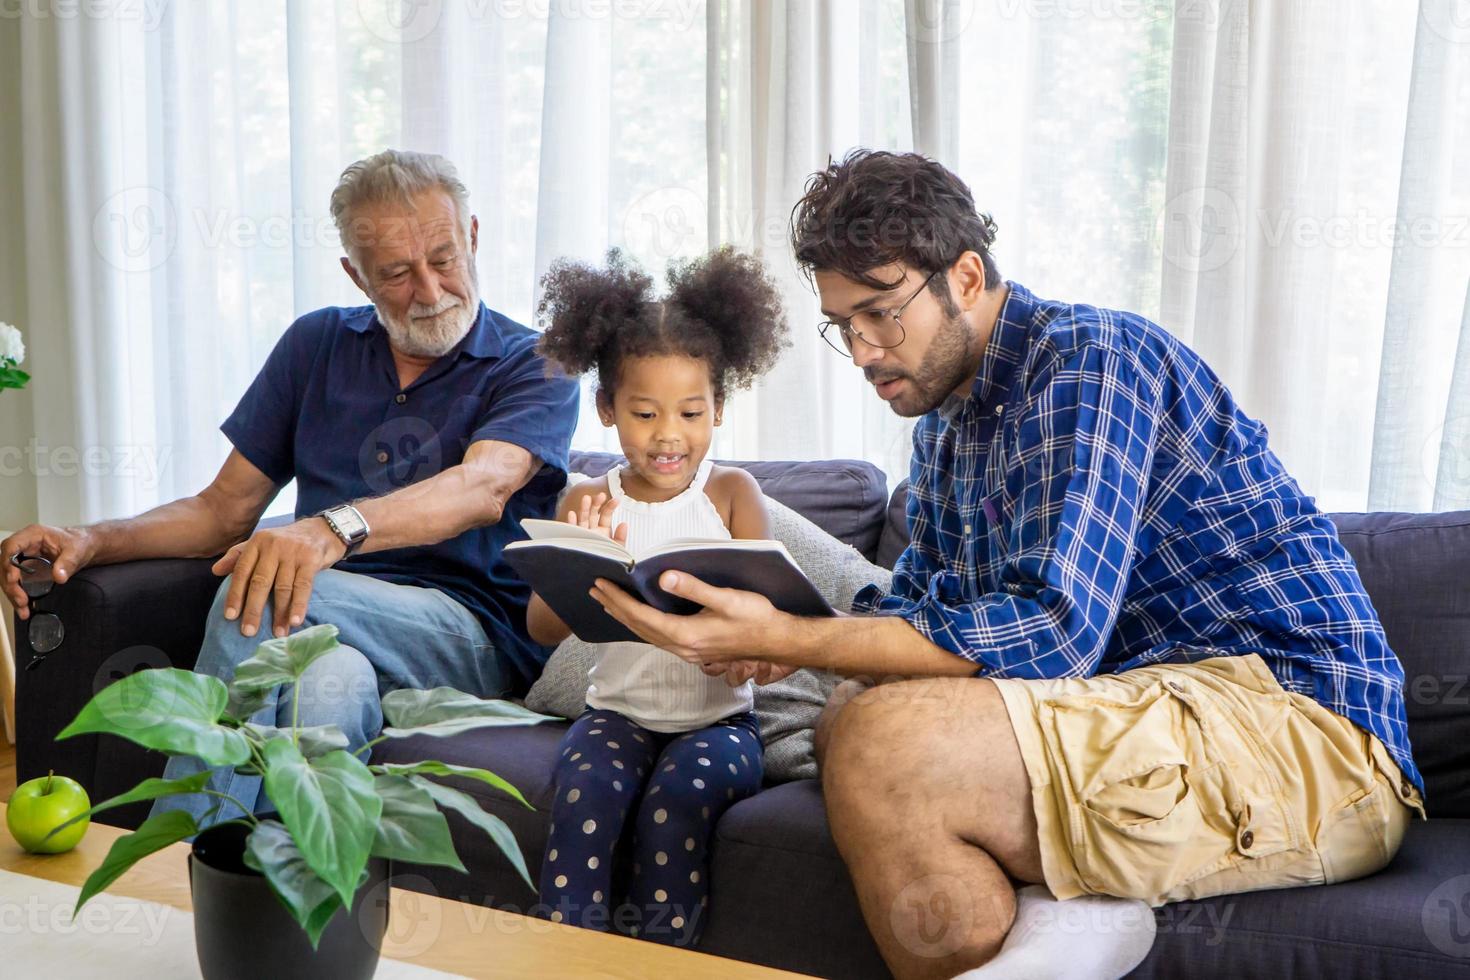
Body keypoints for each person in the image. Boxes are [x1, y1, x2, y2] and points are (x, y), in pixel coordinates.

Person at [586, 150, 1422, 980]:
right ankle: (1061, 929)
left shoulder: (1091, 361)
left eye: (883, 312)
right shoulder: (944, 432)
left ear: (968, 275)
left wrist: (804, 637)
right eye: (843, 326)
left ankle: (1065, 922)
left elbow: (1051, 632)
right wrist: (782, 636)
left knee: (883, 742)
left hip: (1300, 729)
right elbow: (911, 617)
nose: (866, 350)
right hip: (1137, 710)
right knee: (845, 712)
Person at [0, 149, 579, 829]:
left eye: (445, 258)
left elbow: (480, 487)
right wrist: (91, 538)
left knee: (269, 579)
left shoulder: (535, 362)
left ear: (473, 236)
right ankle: (288, 919)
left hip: (464, 635)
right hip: (317, 624)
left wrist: (330, 531)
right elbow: (222, 511)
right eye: (396, 272)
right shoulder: (317, 345)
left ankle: (171, 856)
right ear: (355, 274)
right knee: (327, 690)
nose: (429, 289)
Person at [526, 247, 789, 947]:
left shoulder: (733, 495)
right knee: (586, 795)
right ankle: (563, 957)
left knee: (678, 802)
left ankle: (662, 959)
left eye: (691, 412)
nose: (669, 435)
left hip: (720, 725)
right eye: (644, 413)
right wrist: (576, 561)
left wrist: (751, 649)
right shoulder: (585, 498)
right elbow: (543, 628)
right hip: (616, 714)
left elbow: (770, 623)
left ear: (720, 409)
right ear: (608, 409)